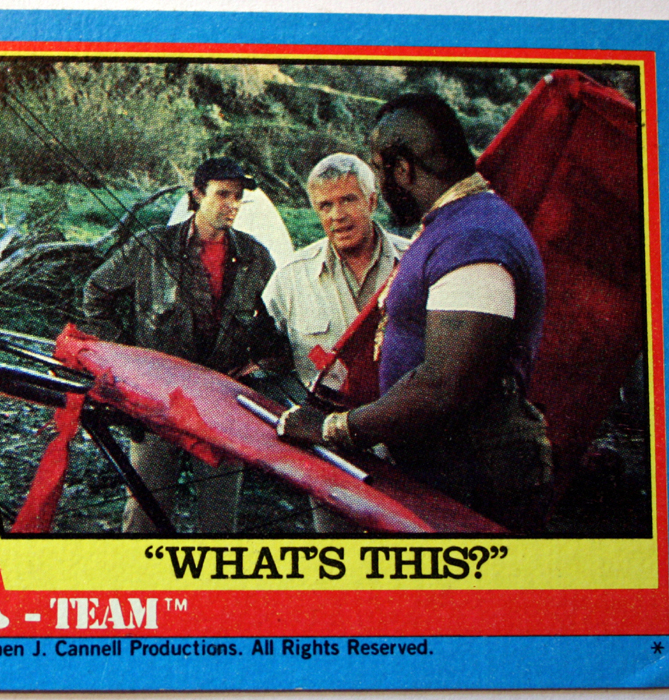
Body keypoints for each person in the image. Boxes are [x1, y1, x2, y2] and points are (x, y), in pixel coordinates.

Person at [278, 93, 554, 533]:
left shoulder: (473, 237)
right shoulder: (456, 226)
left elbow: (446, 383)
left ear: (403, 169)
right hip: (452, 472)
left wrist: (332, 428)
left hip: (471, 482)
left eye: (379, 169)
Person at [82, 157, 286, 533]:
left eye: (237, 197)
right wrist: (127, 357)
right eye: (222, 194)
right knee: (144, 511)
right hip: (158, 397)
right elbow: (96, 291)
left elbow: (277, 322)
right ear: (197, 195)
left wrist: (261, 363)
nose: (231, 205)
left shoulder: (255, 257)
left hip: (224, 404)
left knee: (220, 521)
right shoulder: (153, 245)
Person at [263, 153, 404, 532]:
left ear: (372, 201)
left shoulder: (416, 263)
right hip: (330, 451)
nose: (337, 215)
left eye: (348, 200)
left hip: (408, 448)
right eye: (325, 205)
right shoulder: (290, 278)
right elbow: (263, 356)